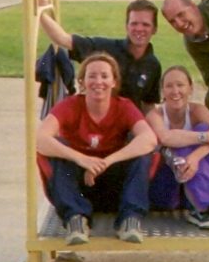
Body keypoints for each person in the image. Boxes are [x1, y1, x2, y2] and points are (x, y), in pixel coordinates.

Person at [36, 52, 159, 245]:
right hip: (78, 187)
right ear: (82, 81)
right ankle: (76, 219)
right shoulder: (70, 105)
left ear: (114, 82)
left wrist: (106, 161)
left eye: (104, 76)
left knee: (142, 152)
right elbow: (40, 138)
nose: (98, 81)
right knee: (54, 148)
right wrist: (81, 159)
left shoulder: (123, 106)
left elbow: (149, 139)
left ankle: (130, 219)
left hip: (114, 188)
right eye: (91, 76)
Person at [145, 65, 209, 228]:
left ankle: (202, 208)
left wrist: (195, 157)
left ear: (190, 88)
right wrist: (207, 138)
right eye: (169, 86)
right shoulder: (155, 115)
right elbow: (166, 137)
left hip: (191, 180)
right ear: (162, 90)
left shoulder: (197, 110)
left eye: (180, 85)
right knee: (185, 141)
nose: (175, 91)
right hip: (166, 191)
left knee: (203, 131)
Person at [38, 0, 162, 114]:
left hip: (130, 127)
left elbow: (148, 106)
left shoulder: (153, 65)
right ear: (126, 26)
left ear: (155, 29)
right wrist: (42, 11)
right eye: (134, 24)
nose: (139, 29)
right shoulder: (105, 49)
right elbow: (63, 39)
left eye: (145, 25)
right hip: (97, 124)